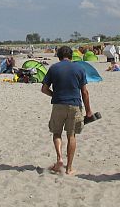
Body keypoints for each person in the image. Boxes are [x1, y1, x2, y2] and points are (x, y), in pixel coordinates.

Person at [41, 46, 96, 175]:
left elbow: (44, 89)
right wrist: (88, 111)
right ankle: (69, 168)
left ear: (59, 56)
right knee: (71, 135)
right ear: (71, 56)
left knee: (56, 133)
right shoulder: (79, 69)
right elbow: (85, 92)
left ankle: (59, 158)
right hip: (74, 104)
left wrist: (54, 95)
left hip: (58, 104)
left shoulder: (53, 68)